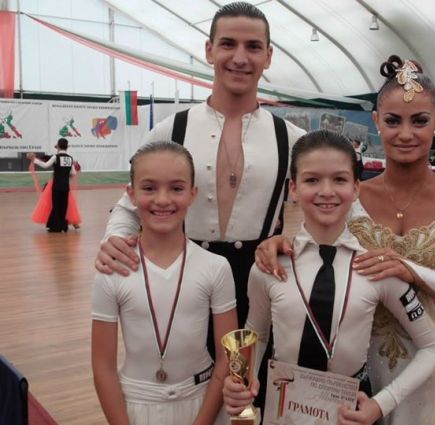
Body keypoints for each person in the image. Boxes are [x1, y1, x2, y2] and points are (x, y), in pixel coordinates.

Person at [255, 55, 435, 424]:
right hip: (356, 369)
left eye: (419, 120)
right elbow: (320, 248)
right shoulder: (352, 195)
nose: (406, 133)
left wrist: (411, 271)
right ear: (376, 121)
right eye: (393, 120)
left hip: (430, 363)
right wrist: (278, 244)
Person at [94, 1, 305, 331]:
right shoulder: (170, 130)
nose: (239, 58)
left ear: (268, 56)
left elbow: (338, 208)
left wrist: (295, 242)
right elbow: (128, 207)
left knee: (253, 364)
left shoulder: (292, 139)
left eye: (253, 46)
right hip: (180, 280)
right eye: (228, 44)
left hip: (261, 285)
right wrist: (115, 240)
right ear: (209, 50)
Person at [222, 130, 435, 425]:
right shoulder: (269, 266)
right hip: (281, 411)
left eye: (339, 179)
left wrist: (380, 404)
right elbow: (256, 334)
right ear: (293, 188)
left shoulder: (376, 269)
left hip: (350, 416)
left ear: (356, 187)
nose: (326, 191)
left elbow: (432, 346)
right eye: (312, 180)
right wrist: (241, 380)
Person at [91, 141, 238, 424]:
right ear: (131, 194)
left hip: (203, 404)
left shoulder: (216, 267)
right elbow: (103, 368)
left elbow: (226, 360)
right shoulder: (112, 270)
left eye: (176, 188)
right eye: (149, 188)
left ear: (193, 193)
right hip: (135, 406)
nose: (162, 199)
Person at [28, 138, 76, 232]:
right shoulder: (70, 158)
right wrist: (65, 174)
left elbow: (45, 165)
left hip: (57, 185)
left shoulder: (55, 157)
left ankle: (56, 227)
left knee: (56, 206)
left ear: (58, 146)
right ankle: (63, 226)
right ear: (67, 147)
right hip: (66, 186)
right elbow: (73, 173)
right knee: (63, 206)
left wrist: (34, 160)